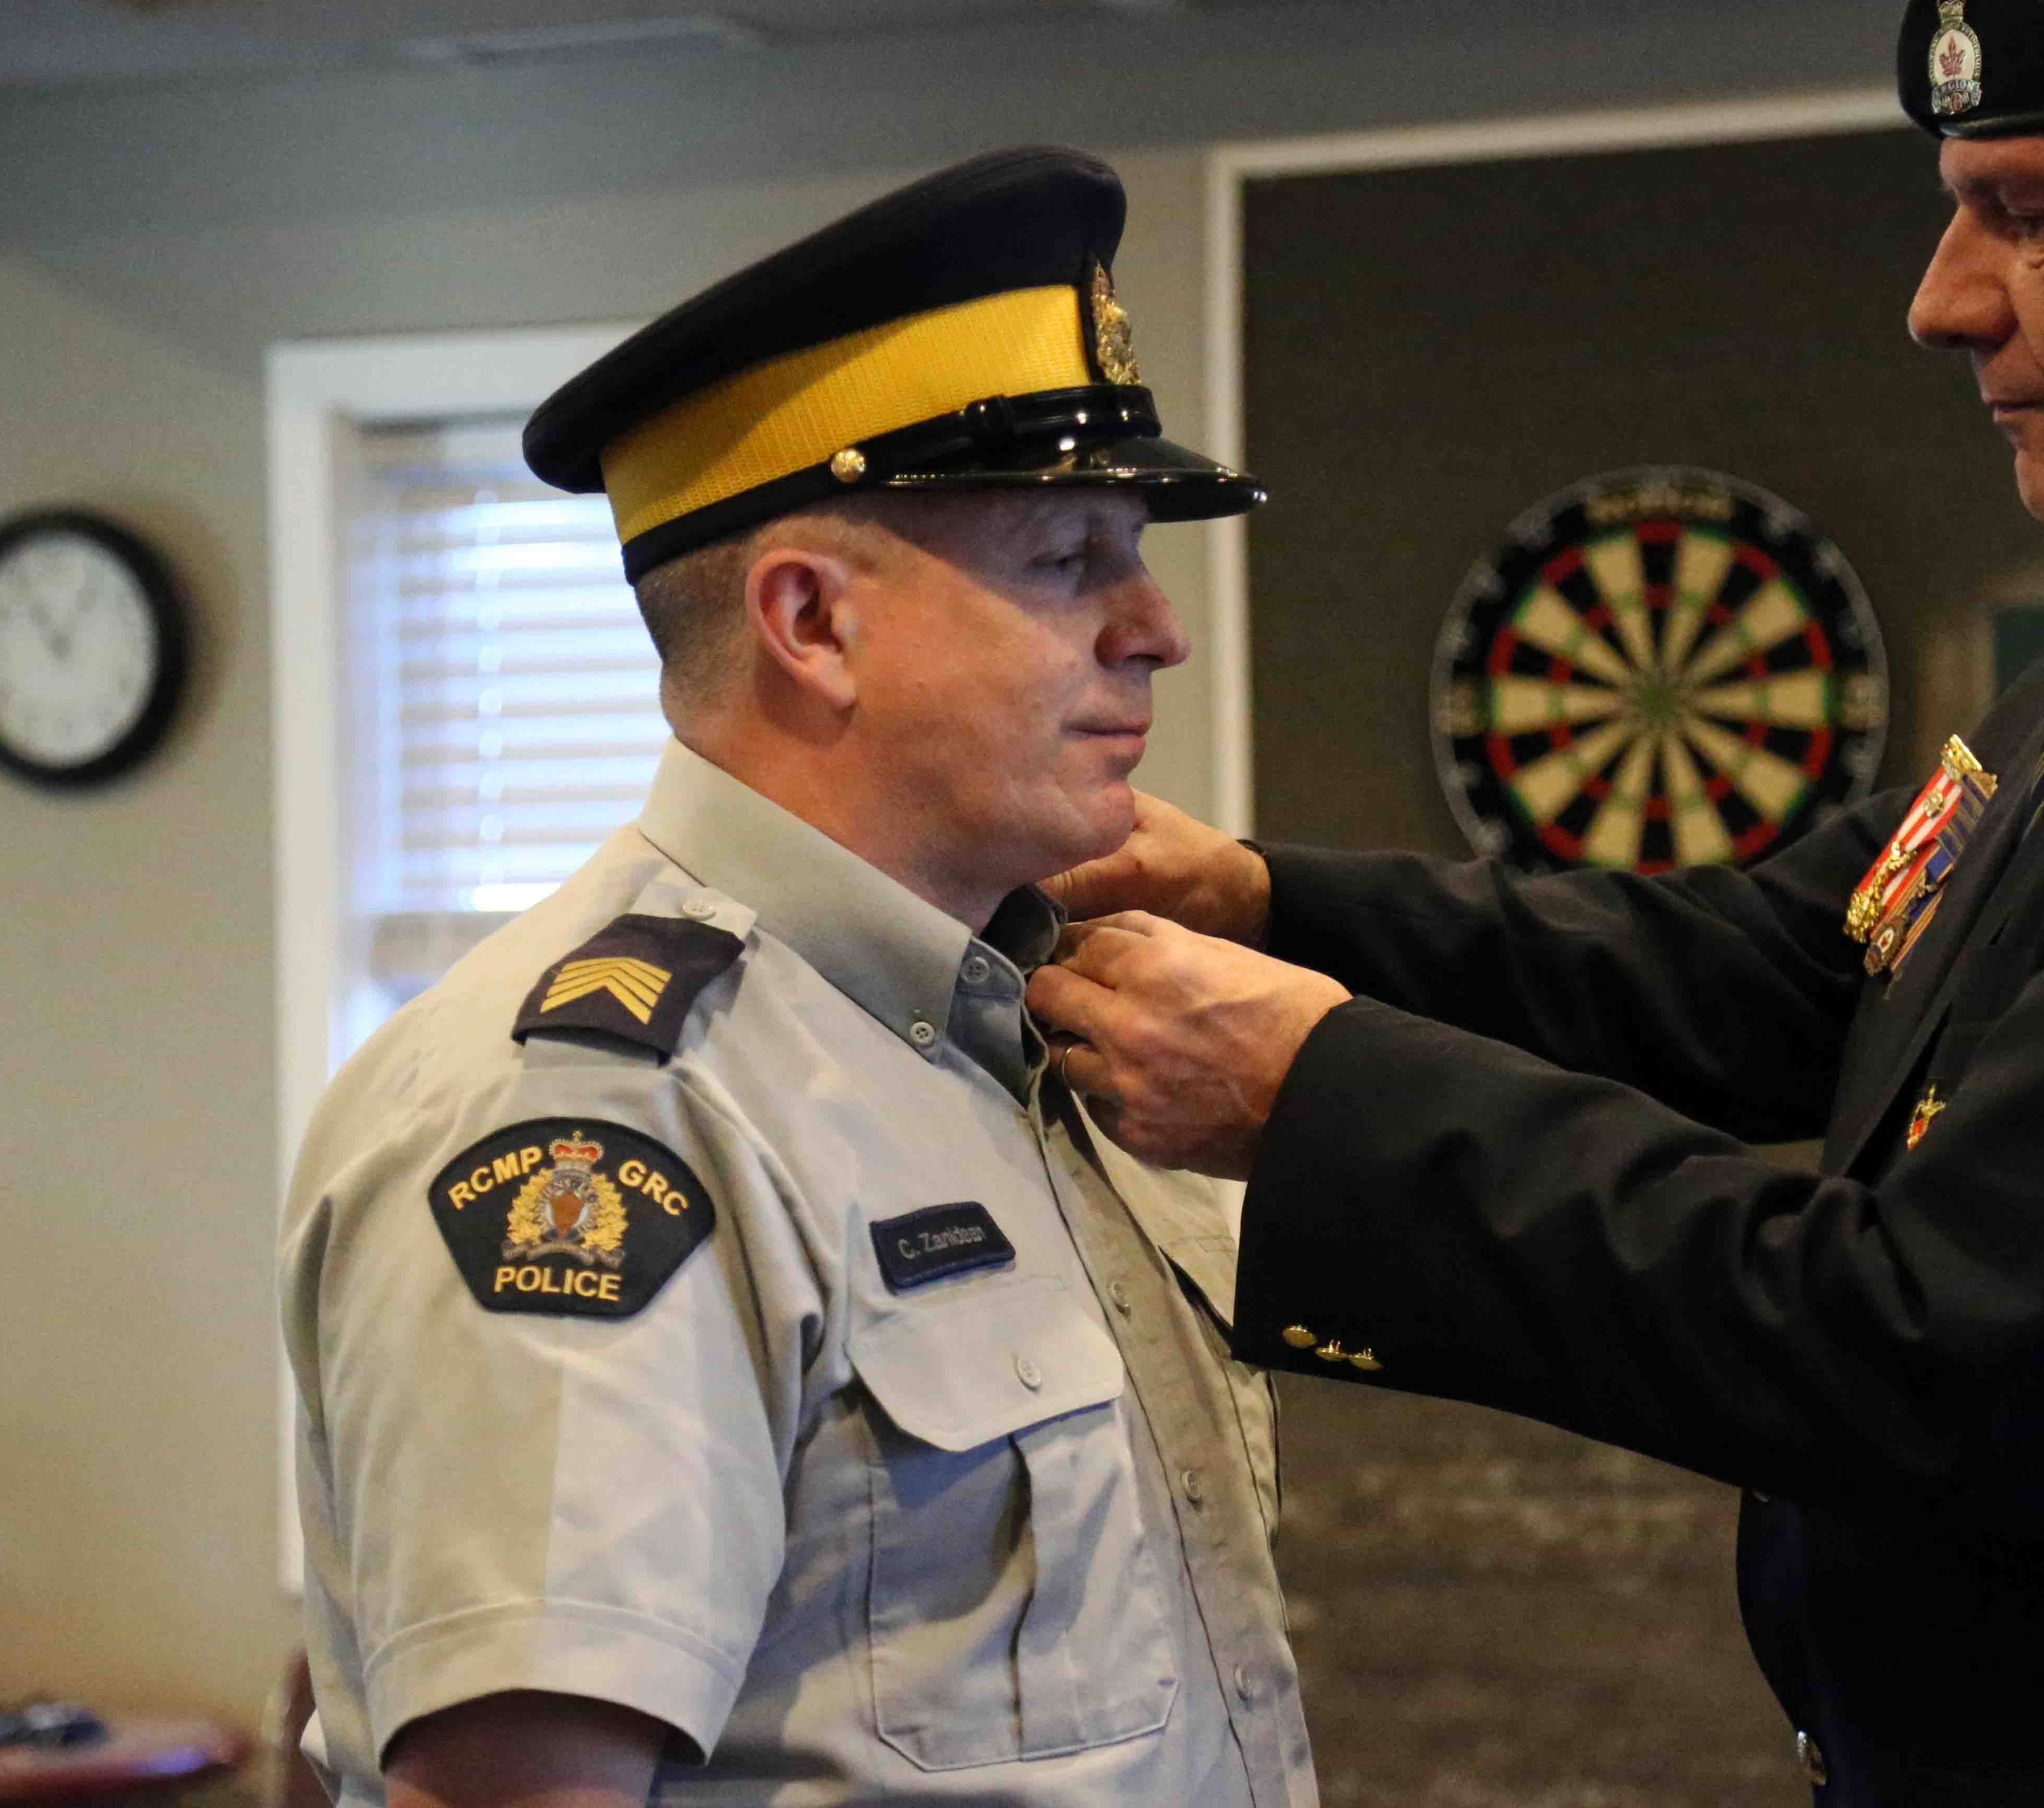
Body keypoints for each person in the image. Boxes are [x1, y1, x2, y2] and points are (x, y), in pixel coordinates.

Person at [1026, 5, 2044, 1802]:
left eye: (2026, 211)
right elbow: (1804, 961)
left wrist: (1322, 1097)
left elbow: (1932, 1336)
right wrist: (1258, 901)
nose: (1945, 300)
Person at [279, 146, 1315, 1808]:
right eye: (1069, 558)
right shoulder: (605, 1112)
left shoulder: (1041, 1037)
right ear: (810, 621)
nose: (1154, 627)